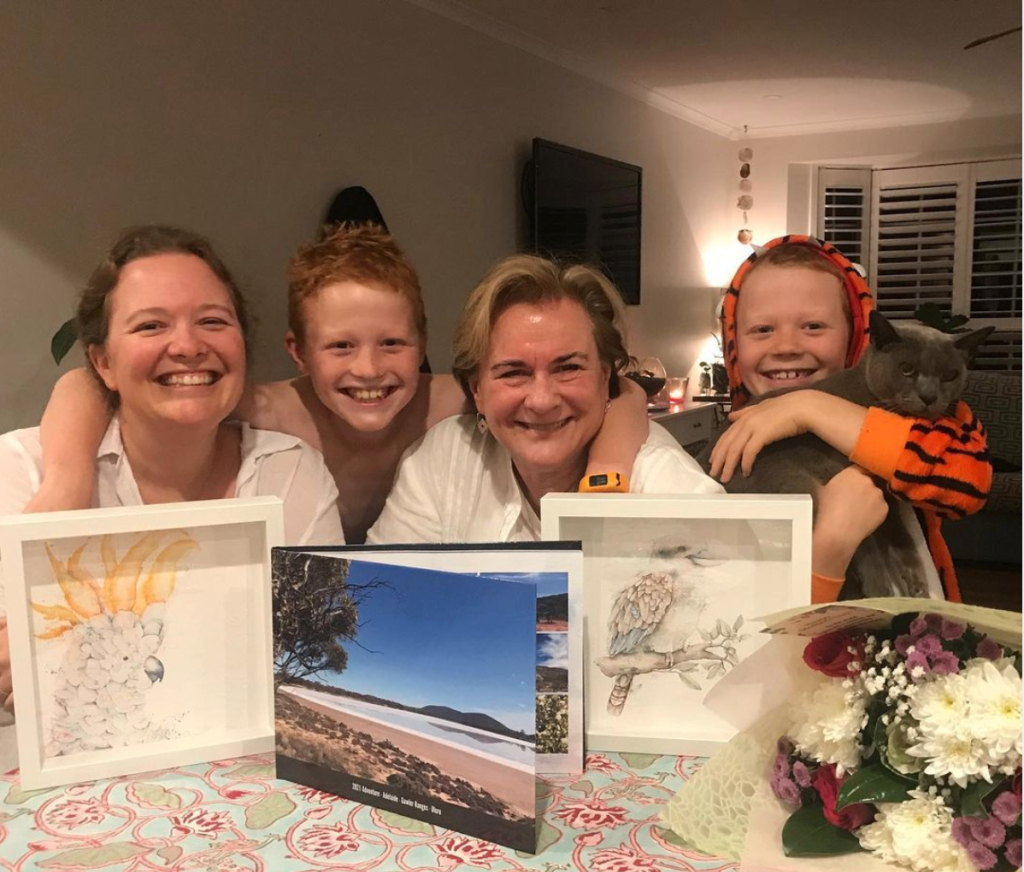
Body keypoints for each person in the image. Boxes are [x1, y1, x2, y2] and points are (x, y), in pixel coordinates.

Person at [31, 226, 651, 543]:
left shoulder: (452, 401)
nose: (370, 370)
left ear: (422, 345)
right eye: (340, 347)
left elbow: (617, 394)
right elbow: (92, 386)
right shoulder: (269, 411)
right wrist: (65, 478)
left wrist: (608, 470)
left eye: (393, 344)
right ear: (298, 353)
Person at [0, 225, 344, 712]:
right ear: (102, 364)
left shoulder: (289, 477)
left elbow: (311, 658)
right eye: (150, 326)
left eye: (213, 321)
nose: (187, 345)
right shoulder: (22, 471)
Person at [707, 234, 991, 602]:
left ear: (857, 335)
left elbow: (966, 479)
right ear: (732, 341)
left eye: (813, 326)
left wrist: (807, 406)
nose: (787, 347)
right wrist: (833, 539)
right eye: (763, 329)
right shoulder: (738, 435)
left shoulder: (914, 412)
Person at [368, 255, 720, 543]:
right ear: (477, 390)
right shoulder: (444, 459)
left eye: (567, 367)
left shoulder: (672, 492)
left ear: (604, 377)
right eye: (513, 372)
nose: (541, 400)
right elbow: (385, 601)